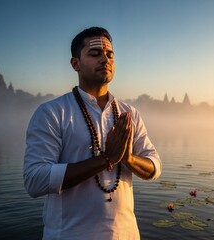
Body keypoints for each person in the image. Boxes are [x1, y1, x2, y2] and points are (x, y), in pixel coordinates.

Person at [23, 26, 162, 240]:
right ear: (75, 63)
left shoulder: (129, 113)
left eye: (110, 55)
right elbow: (35, 180)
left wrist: (128, 159)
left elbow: (154, 166)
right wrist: (106, 159)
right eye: (95, 54)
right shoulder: (52, 112)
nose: (105, 60)